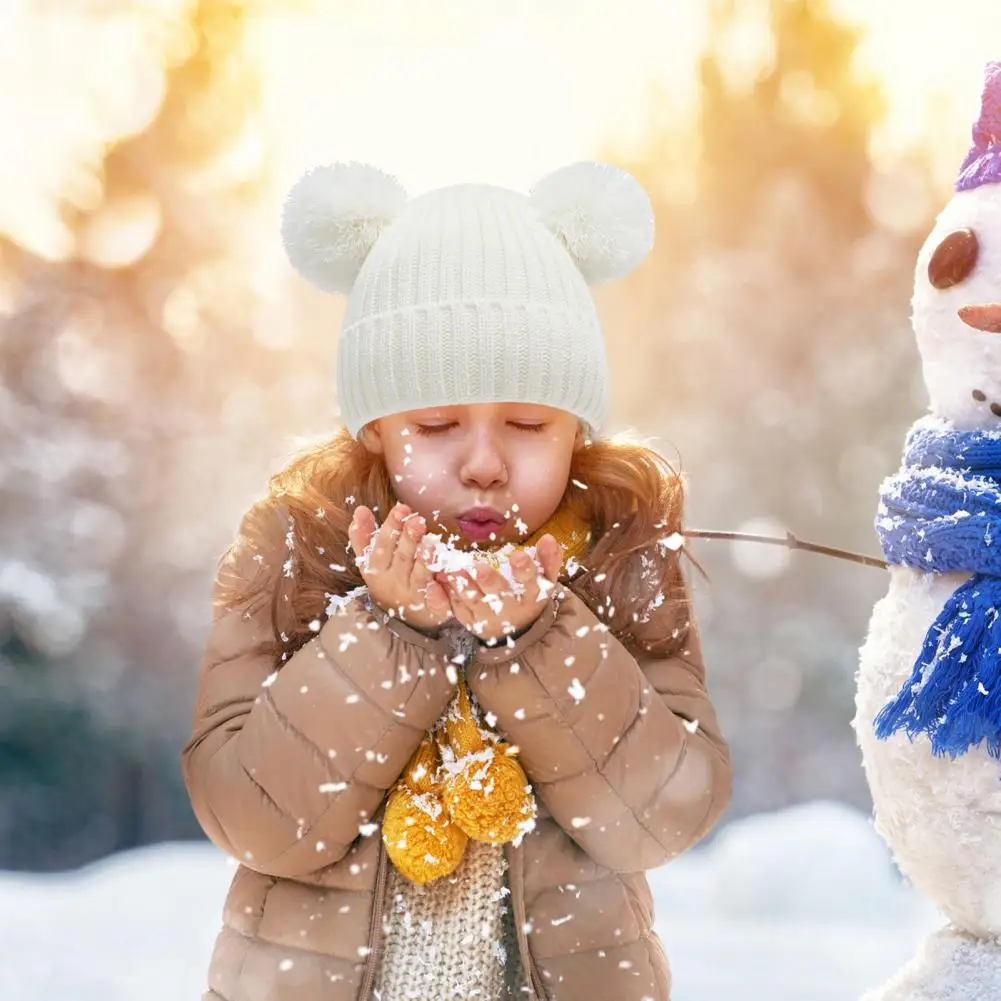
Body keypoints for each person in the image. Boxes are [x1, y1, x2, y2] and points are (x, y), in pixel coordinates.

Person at [182, 160, 732, 1001]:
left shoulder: (618, 557)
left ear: (575, 427)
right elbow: (254, 819)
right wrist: (383, 634)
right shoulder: (296, 550)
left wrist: (537, 641)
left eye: (526, 422)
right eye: (436, 425)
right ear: (373, 426)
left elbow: (659, 817)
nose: (483, 463)